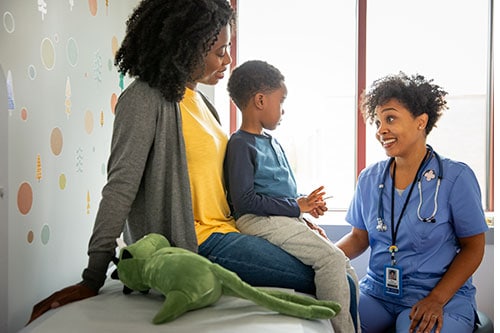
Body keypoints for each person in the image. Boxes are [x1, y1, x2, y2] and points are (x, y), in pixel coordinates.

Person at [27, 0, 321, 324]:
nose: (228, 60)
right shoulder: (144, 98)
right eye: (220, 50)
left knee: (325, 259)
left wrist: (293, 222)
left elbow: (231, 190)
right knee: (317, 273)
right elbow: (120, 188)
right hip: (197, 241)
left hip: (229, 229)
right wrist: (92, 276)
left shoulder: (206, 108)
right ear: (187, 47)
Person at [336, 72, 488, 333]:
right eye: (377, 121)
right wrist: (322, 257)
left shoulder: (455, 177)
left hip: (438, 295)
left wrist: (437, 299)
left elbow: (474, 247)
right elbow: (359, 238)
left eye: (390, 118)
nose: (380, 130)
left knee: (411, 328)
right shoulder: (369, 178)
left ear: (421, 122)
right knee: (327, 321)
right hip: (378, 293)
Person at [224, 60, 359, 333]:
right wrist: (297, 208)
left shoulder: (271, 141)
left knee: (345, 266)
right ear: (260, 100)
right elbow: (244, 201)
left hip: (280, 217)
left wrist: (305, 207)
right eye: (280, 101)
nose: (283, 110)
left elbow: (279, 190)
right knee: (331, 260)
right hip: (257, 219)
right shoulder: (240, 144)